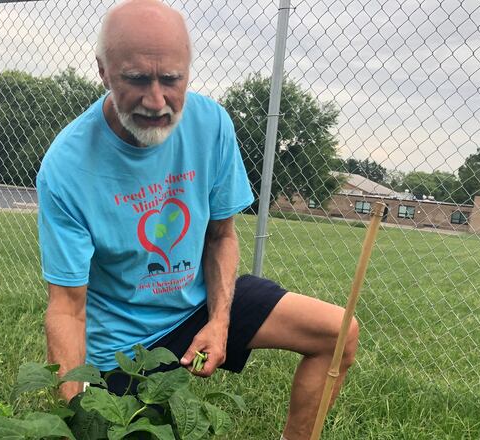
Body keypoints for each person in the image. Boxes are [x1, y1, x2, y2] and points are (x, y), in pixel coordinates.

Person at [36, 1, 359, 438]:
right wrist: (77, 414)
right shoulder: (68, 166)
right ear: (103, 71)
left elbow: (221, 236)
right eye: (135, 79)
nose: (156, 100)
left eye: (171, 79)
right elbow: (68, 308)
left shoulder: (211, 124)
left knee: (338, 333)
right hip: (122, 349)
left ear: (188, 70)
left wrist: (219, 322)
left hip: (198, 306)